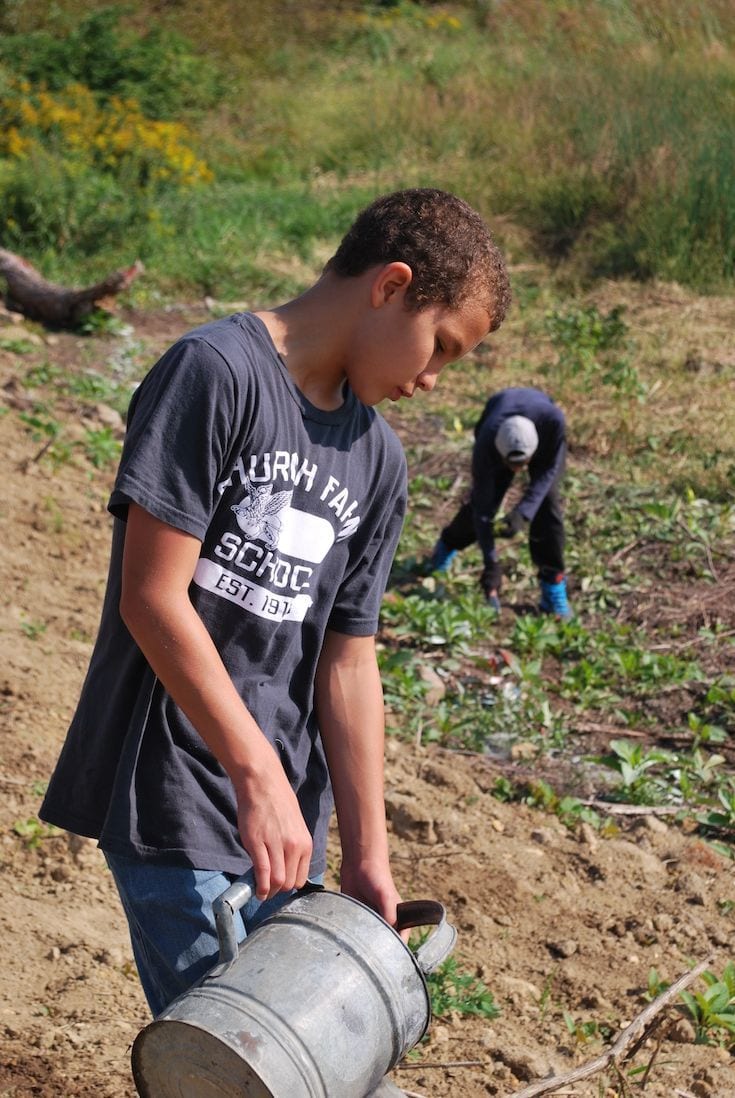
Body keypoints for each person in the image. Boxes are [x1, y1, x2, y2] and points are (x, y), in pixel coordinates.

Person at [39, 188, 511, 1090]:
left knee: (302, 1060)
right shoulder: (214, 373)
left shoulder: (378, 460)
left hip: (287, 822)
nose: (432, 379)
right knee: (248, 1060)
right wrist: (254, 774)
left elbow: (348, 659)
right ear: (392, 287)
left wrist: (367, 853)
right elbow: (152, 596)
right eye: (441, 346)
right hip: (173, 789)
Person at [429, 386, 571, 618]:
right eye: (512, 465)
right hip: (496, 416)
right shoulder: (486, 444)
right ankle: (448, 544)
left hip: (542, 430)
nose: (517, 471)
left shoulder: (554, 422)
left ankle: (552, 584)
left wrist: (523, 513)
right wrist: (491, 563)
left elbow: (548, 472)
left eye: (522, 464)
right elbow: (483, 511)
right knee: (484, 500)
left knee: (547, 505)